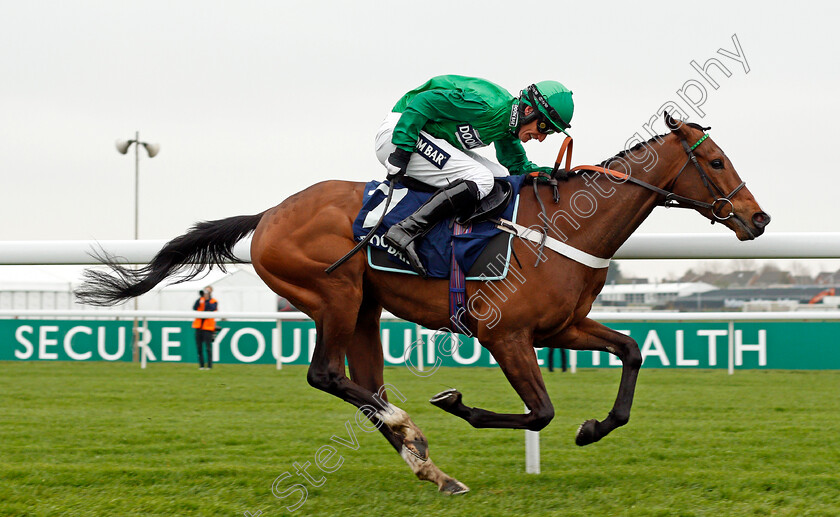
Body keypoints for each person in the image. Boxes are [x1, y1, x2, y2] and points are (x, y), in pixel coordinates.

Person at [376, 75, 575, 276]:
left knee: (500, 177)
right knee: (482, 179)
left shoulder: (507, 124)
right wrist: (402, 149)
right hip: (400, 132)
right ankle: (406, 230)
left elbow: (517, 167)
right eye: (543, 127)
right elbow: (423, 101)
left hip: (422, 136)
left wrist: (549, 174)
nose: (541, 138)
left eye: (549, 133)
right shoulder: (488, 106)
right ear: (528, 110)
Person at [193, 286, 218, 370]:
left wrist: (207, 300)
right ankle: (201, 365)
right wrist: (201, 299)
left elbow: (211, 308)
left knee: (208, 347)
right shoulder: (200, 300)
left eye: (208, 291)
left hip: (208, 327)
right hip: (199, 326)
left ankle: (210, 366)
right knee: (199, 347)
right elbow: (195, 307)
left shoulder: (213, 301)